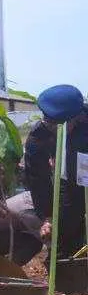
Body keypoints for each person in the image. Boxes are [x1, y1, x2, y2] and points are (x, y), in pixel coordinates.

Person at [31, 85, 87, 261]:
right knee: (64, 233)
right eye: (49, 122)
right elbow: (37, 178)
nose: (51, 127)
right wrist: (46, 216)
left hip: (83, 182)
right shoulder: (39, 135)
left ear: (77, 118)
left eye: (58, 124)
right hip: (68, 185)